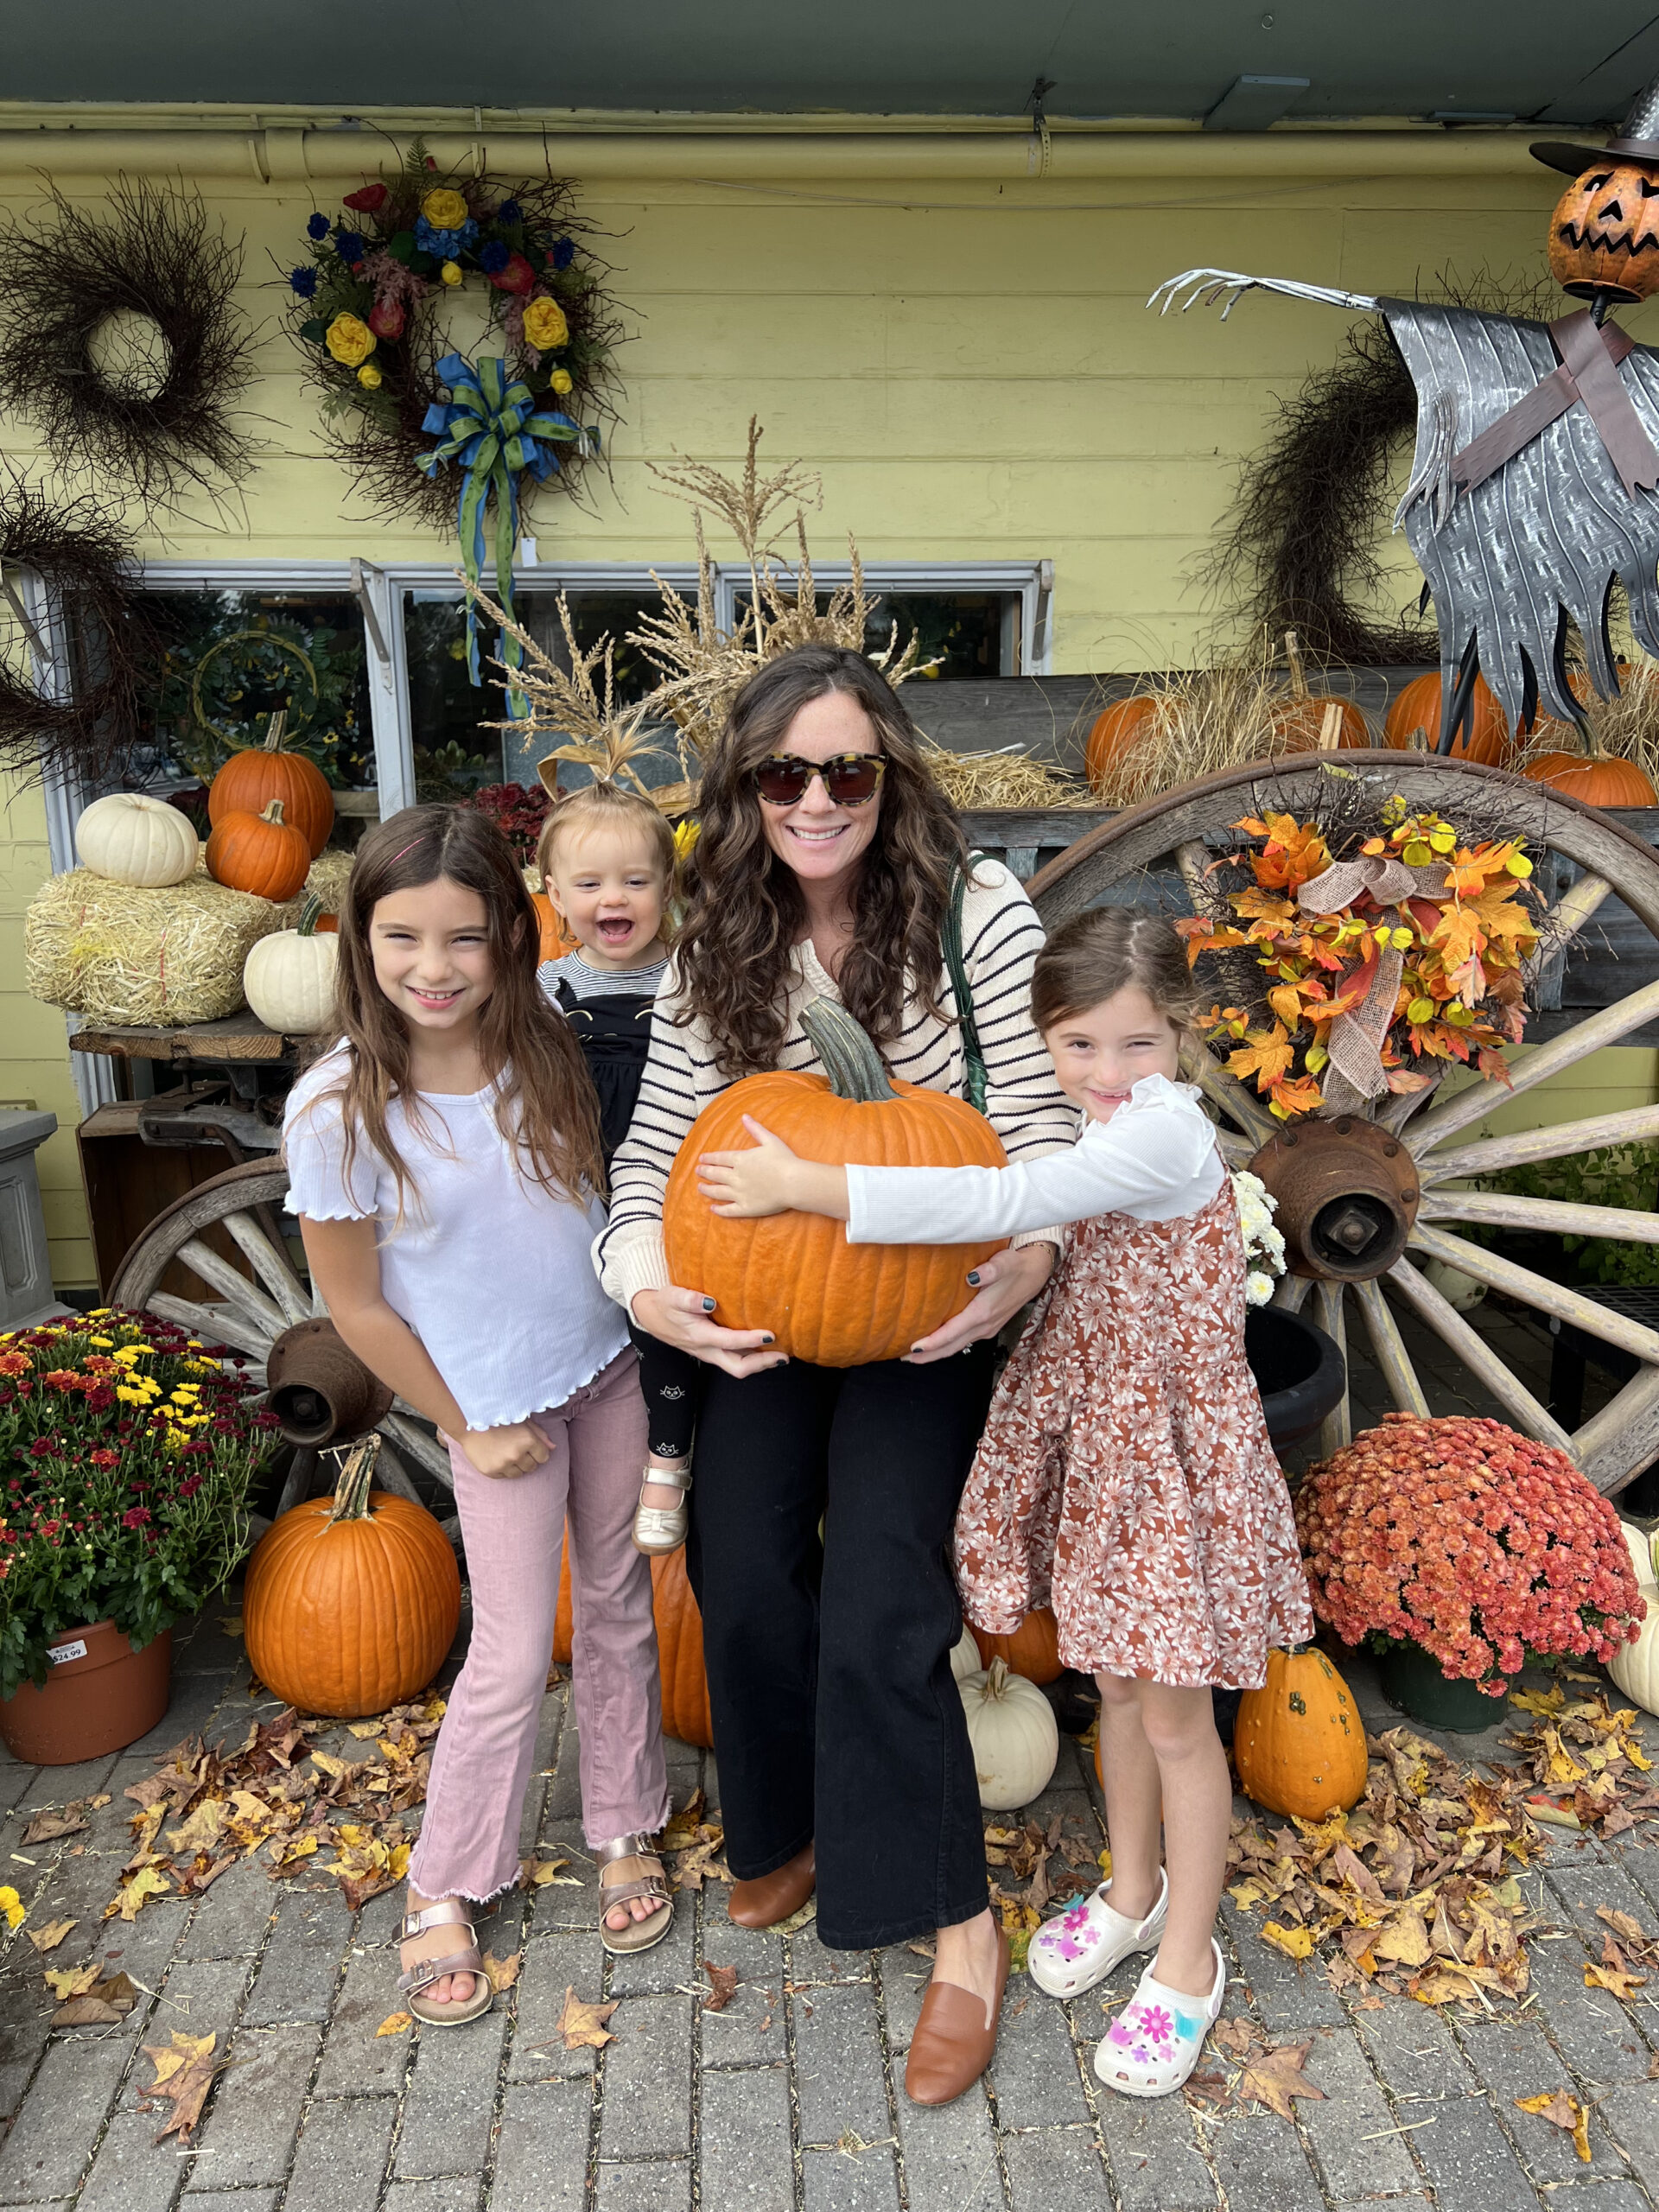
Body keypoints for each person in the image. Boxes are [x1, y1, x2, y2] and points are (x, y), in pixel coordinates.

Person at [697, 904, 1313, 2101]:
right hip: (1107, 1447)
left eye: (1136, 1045)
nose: (1105, 1071)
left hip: (1161, 1463)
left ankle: (1188, 1962)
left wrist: (805, 1185)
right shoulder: (1112, 1120)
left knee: (1178, 1716)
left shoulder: (1162, 1140)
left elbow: (989, 1201)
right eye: (1078, 1045)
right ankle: (1133, 1896)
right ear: (1044, 1040)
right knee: (1119, 1689)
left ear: (1182, 1040)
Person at [597, 643, 1076, 2107]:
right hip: (764, 1312)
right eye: (784, 772)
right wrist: (650, 1292)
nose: (817, 799)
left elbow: (1049, 1132)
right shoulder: (713, 940)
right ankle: (791, 1825)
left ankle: (954, 1922)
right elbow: (646, 1165)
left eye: (848, 770)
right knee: (737, 1569)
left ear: (892, 774)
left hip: (931, 1311)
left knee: (881, 1590)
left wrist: (1026, 1262)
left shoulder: (974, 912)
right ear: (745, 787)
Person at [284, 803, 673, 2031]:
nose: (434, 969)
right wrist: (467, 1421)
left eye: (464, 937)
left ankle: (623, 1820)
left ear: (513, 932)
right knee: (508, 1650)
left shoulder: (544, 1041)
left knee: (615, 1604)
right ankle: (446, 1877)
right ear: (361, 940)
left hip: (602, 1365)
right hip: (491, 1405)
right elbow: (357, 1308)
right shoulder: (341, 1108)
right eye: (403, 938)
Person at [534, 773, 702, 1554]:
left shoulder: (690, 975)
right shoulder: (548, 987)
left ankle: (668, 1459)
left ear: (666, 888)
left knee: (659, 1306)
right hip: (578, 1172)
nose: (616, 898)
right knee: (592, 1317)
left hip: (671, 1173)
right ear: (555, 893)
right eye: (591, 882)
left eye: (636, 881)